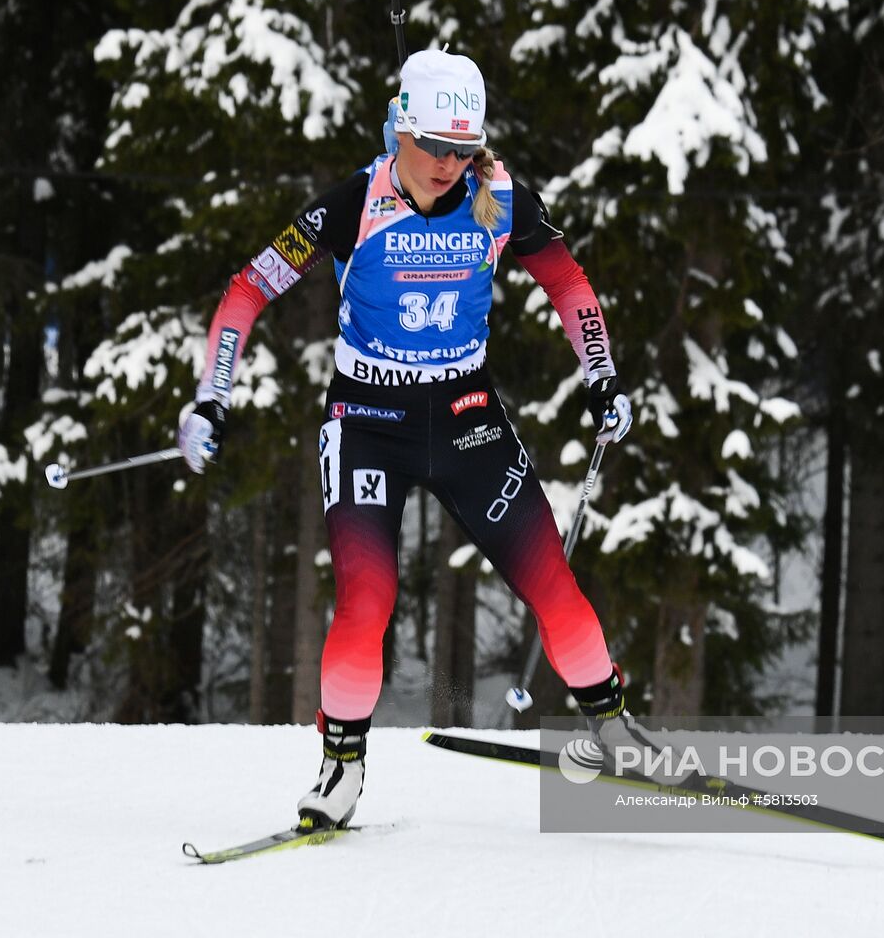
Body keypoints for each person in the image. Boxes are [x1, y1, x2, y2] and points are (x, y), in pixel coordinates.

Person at [179, 48, 643, 829]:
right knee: (368, 599)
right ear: (400, 130)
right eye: (433, 146)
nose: (448, 166)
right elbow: (249, 286)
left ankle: (615, 727)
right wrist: (210, 395)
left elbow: (566, 278)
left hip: (466, 417)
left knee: (552, 583)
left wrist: (600, 371)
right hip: (369, 420)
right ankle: (341, 769)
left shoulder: (496, 196)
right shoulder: (353, 202)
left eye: (464, 150)